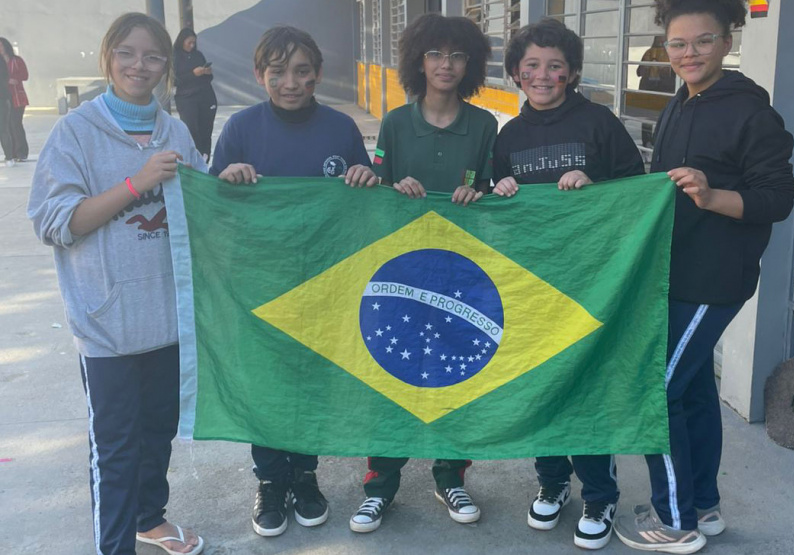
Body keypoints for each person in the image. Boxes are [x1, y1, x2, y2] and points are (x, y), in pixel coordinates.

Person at [613, 1, 794, 553]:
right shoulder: (679, 102)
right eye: (677, 44)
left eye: (702, 41)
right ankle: (704, 507)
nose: (688, 53)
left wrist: (712, 194)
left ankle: (675, 521)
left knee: (656, 390)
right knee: (691, 391)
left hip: (715, 279)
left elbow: (778, 198)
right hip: (675, 271)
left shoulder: (751, 114)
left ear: (728, 40)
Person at [27, 12, 207, 555]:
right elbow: (55, 223)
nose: (140, 65)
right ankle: (115, 545)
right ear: (108, 57)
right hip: (108, 323)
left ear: (166, 68)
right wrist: (137, 182)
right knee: (116, 448)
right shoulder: (75, 132)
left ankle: (149, 519)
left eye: (153, 56)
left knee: (157, 435)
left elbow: (200, 205)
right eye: (127, 53)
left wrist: (230, 184)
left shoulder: (174, 131)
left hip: (167, 318)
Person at [208, 25, 377, 538]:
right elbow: (211, 203)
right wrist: (226, 180)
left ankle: (305, 476)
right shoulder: (240, 128)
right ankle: (270, 480)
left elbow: (367, 202)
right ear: (261, 75)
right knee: (267, 386)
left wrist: (365, 179)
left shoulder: (340, 128)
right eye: (277, 72)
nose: (290, 82)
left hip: (325, 282)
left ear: (318, 74)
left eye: (302, 71)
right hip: (260, 282)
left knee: (311, 383)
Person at [490, 18, 644, 550]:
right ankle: (552, 482)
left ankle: (599, 494)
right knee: (543, 385)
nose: (543, 75)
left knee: (586, 387)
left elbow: (636, 191)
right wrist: (499, 186)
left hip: (591, 283)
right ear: (515, 73)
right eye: (531, 65)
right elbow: (491, 208)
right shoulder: (508, 135)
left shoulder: (599, 122)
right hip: (530, 287)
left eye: (555, 65)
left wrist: (595, 185)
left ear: (572, 71)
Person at [349, 13, 496, 534]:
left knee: (454, 378)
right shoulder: (393, 122)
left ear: (471, 64)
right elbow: (376, 194)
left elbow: (496, 195)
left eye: (457, 55)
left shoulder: (484, 126)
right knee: (390, 375)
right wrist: (385, 184)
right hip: (399, 273)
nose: (446, 65)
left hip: (460, 276)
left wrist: (481, 193)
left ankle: (450, 475)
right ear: (418, 60)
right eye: (435, 54)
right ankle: (379, 486)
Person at [173, 28, 217, 161]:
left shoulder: (198, 55)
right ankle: (194, 157)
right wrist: (193, 74)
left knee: (206, 129)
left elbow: (209, 79)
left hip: (205, 96)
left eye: (194, 43)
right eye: (189, 43)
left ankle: (205, 157)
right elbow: (174, 81)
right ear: (182, 41)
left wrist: (207, 73)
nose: (192, 45)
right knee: (191, 128)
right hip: (186, 98)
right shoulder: (175, 57)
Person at [0, 37, 28, 163]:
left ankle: (21, 152)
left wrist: (13, 79)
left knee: (16, 124)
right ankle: (12, 153)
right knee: (7, 126)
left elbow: (25, 75)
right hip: (5, 96)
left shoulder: (16, 60)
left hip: (17, 96)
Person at [0, 48, 12, 166]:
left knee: (3, 129)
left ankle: (9, 157)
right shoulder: (2, 61)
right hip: (3, 98)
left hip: (2, 99)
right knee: (3, 129)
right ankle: (9, 158)